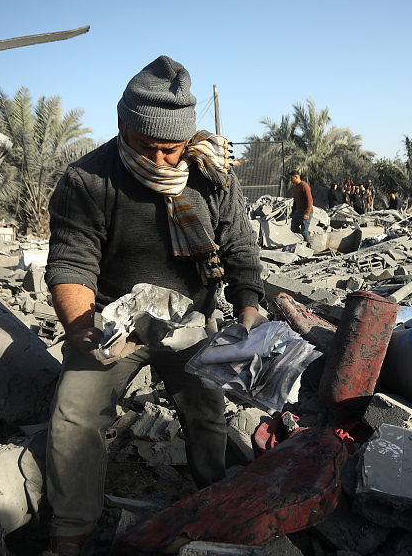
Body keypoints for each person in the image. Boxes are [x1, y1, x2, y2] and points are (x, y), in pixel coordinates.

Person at [43, 55, 266, 556]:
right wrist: (84, 331)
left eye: (173, 150)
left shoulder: (212, 176)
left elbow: (240, 252)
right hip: (110, 323)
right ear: (122, 125)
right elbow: (72, 266)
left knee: (207, 414)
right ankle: (71, 531)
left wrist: (248, 315)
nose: (163, 161)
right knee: (76, 416)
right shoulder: (88, 181)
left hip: (190, 324)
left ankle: (212, 504)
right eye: (148, 148)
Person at [289, 170, 313, 246]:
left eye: (292, 178)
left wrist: (307, 212)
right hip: (298, 212)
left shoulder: (304, 186)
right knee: (293, 228)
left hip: (305, 212)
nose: (291, 180)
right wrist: (293, 212)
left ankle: (310, 246)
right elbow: (295, 201)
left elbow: (309, 200)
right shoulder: (295, 188)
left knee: (304, 231)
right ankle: (309, 233)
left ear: (296, 177)